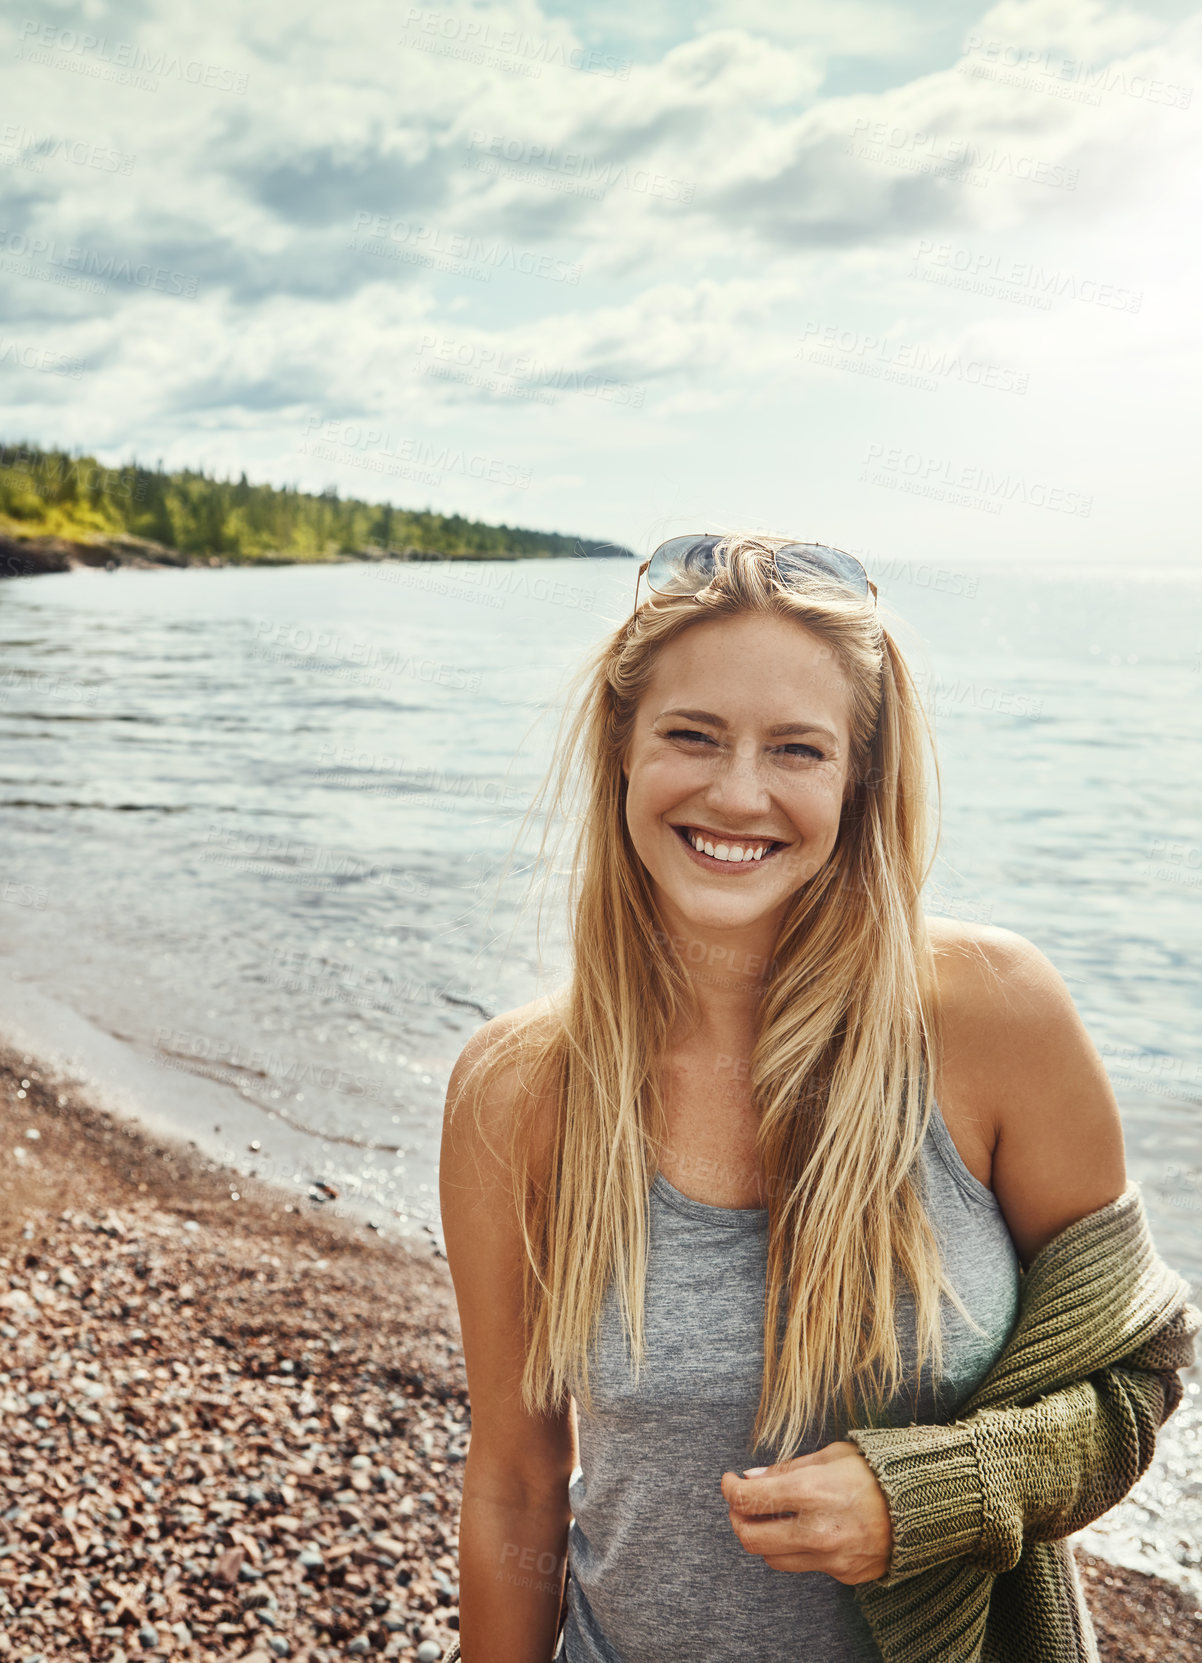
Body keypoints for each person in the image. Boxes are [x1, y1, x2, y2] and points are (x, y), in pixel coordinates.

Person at [437, 533, 1197, 1663]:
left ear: (856, 777)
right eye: (691, 736)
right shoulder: (518, 1091)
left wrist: (928, 1494)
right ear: (622, 750)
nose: (736, 793)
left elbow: (1135, 1378)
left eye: (796, 749)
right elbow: (514, 1479)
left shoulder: (993, 1020)